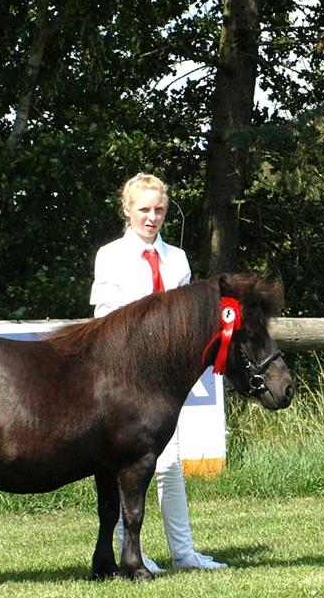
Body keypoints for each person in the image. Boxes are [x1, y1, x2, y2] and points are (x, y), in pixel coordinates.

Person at [89, 172, 226, 572]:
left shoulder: (177, 259)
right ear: (127, 209)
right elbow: (104, 317)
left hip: (166, 381)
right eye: (144, 209)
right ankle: (132, 549)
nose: (152, 218)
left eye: (159, 209)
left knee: (170, 463)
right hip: (124, 376)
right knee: (126, 465)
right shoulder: (110, 255)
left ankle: (184, 552)